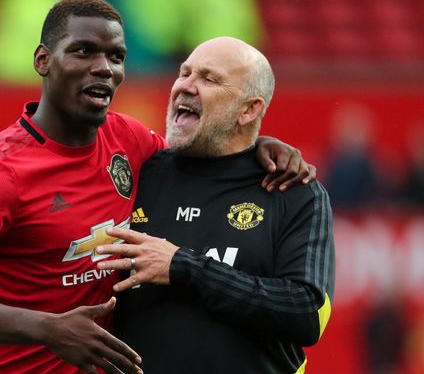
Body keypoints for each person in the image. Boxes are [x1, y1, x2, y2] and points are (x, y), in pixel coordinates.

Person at [0, 0, 315, 374]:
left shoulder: (130, 141)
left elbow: (200, 156)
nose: (104, 67)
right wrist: (48, 328)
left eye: (116, 56)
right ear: (43, 60)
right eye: (84, 51)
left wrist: (259, 143)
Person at [95, 37, 335, 373]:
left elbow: (306, 313)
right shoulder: (138, 175)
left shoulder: (292, 192)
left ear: (249, 109)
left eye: (208, 79)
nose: (185, 87)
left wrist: (183, 267)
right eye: (184, 73)